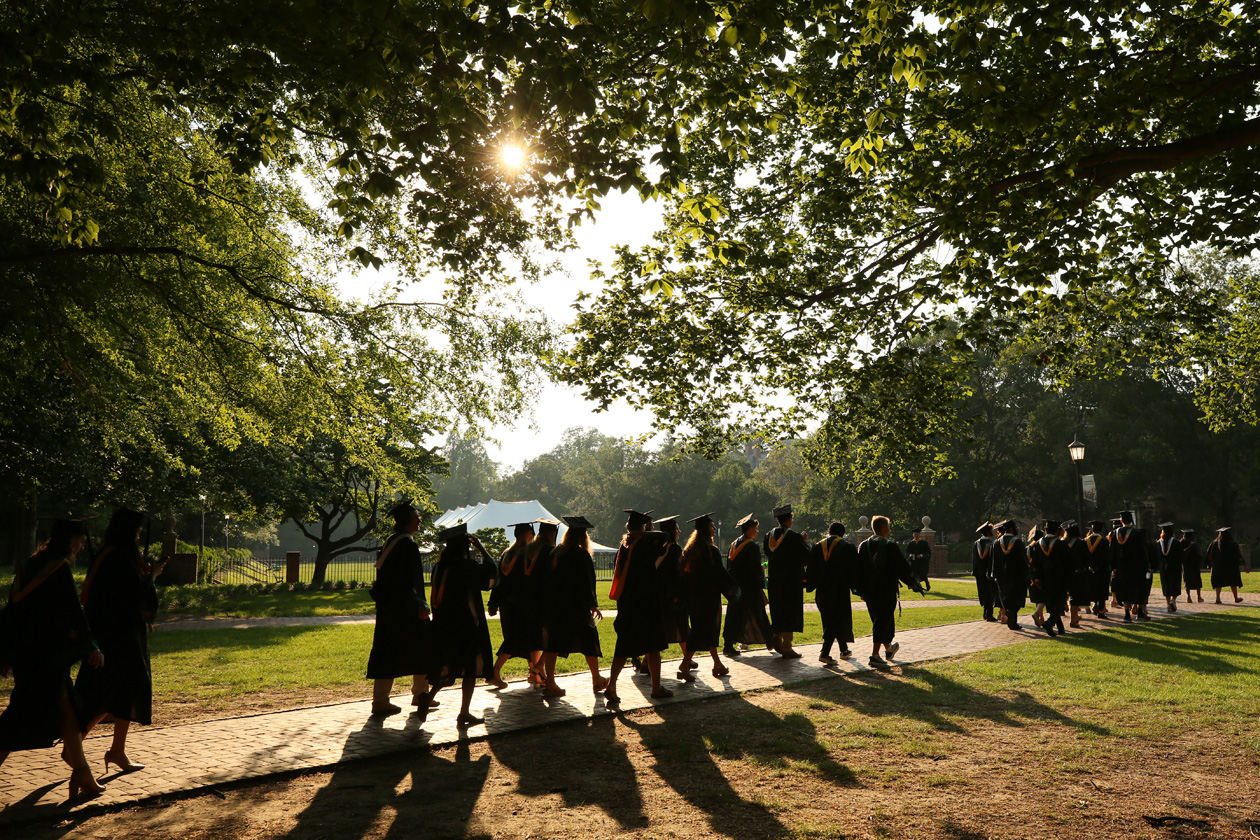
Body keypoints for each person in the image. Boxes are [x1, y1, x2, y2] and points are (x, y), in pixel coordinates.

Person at [0, 517, 106, 798]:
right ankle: (82, 773)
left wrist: (6, 653)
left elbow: (12, 613)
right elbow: (72, 612)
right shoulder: (57, 569)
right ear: (70, 540)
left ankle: (82, 773)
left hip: (30, 656)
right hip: (46, 659)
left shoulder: (31, 564)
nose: (81, 548)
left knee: (69, 711)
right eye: (80, 542)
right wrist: (90, 645)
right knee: (19, 717)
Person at [76, 508, 166, 774]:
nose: (139, 537)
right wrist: (152, 577)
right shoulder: (117, 557)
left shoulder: (113, 555)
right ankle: (75, 743)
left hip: (122, 635)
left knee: (127, 691)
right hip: (117, 638)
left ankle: (117, 751)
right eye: (137, 532)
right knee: (105, 692)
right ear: (129, 532)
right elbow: (138, 599)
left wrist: (145, 575)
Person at [365, 501, 438, 717]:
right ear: (408, 520)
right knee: (422, 647)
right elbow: (413, 580)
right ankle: (420, 694)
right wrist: (421, 606)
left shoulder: (392, 542)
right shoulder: (407, 545)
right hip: (406, 610)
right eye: (416, 517)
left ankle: (381, 700)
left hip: (390, 609)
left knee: (387, 651)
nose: (419, 520)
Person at [423, 523, 499, 728]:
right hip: (467, 624)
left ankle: (428, 699)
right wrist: (483, 549)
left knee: (450, 663)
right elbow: (491, 577)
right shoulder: (466, 567)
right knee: (470, 667)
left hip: (444, 623)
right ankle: (463, 712)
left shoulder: (441, 566)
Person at [605, 509, 672, 704]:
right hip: (646, 603)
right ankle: (656, 688)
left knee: (623, 647)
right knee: (654, 645)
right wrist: (646, 534)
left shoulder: (625, 546)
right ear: (643, 528)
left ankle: (612, 685)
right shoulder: (643, 545)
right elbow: (665, 538)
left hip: (627, 603)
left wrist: (639, 533)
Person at [542, 517, 607, 694]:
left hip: (555, 606)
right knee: (589, 639)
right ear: (583, 536)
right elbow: (586, 583)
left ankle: (550, 682)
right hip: (575, 607)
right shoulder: (580, 554)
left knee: (552, 644)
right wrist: (592, 605)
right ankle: (596, 678)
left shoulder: (556, 552)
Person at [854, 515, 924, 668]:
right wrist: (913, 583)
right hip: (886, 589)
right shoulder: (889, 546)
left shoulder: (862, 546)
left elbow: (858, 570)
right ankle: (874, 655)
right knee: (882, 620)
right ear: (883, 527)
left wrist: (860, 590)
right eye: (888, 526)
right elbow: (902, 568)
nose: (890, 529)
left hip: (869, 591)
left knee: (880, 619)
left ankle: (889, 649)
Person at [676, 514, 738, 679]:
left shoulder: (689, 550)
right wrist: (733, 588)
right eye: (712, 526)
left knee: (705, 629)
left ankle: (717, 664)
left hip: (693, 598)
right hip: (708, 597)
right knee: (702, 630)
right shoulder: (711, 551)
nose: (714, 529)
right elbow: (720, 573)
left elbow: (683, 574)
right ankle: (685, 664)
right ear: (705, 529)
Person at [487, 521, 537, 686]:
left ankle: (534, 673)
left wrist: (493, 602)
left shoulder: (507, 552)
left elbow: (499, 581)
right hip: (520, 603)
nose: (533, 535)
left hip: (508, 603)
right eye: (531, 533)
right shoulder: (525, 553)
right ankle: (494, 672)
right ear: (524, 534)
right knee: (515, 638)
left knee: (526, 637)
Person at [722, 514, 777, 657]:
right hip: (749, 588)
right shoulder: (751, 546)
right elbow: (754, 569)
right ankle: (771, 641)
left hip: (736, 587)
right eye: (756, 528)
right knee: (759, 614)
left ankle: (728, 644)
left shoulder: (734, 544)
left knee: (734, 615)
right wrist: (760, 582)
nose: (757, 531)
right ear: (750, 529)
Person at [806, 521, 856, 662]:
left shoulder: (817, 547)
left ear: (829, 532)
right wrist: (857, 587)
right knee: (835, 620)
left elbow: (811, 570)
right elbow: (853, 570)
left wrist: (811, 586)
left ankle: (844, 650)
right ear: (842, 534)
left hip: (822, 590)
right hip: (839, 590)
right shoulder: (846, 547)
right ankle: (824, 652)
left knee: (830, 619)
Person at [517, 520, 558, 691]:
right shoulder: (549, 551)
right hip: (546, 599)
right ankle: (543, 673)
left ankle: (536, 672)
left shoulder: (529, 549)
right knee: (552, 639)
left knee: (536, 638)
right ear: (551, 534)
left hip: (529, 599)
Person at [763, 504, 807, 658]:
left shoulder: (768, 537)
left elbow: (769, 553)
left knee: (778, 610)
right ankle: (787, 646)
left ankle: (777, 636)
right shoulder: (794, 537)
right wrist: (805, 542)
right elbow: (806, 557)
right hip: (791, 582)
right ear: (788, 521)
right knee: (790, 612)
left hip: (775, 582)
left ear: (778, 521)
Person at [654, 516, 691, 677]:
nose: (679, 531)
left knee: (661, 628)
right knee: (683, 628)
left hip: (661, 596)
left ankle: (646, 662)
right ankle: (686, 663)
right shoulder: (675, 549)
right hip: (674, 597)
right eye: (676, 528)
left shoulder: (659, 548)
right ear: (671, 531)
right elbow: (678, 574)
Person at [1029, 520, 1070, 636]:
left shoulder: (1038, 544)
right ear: (1057, 530)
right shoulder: (1060, 544)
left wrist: (1036, 577)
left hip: (1043, 579)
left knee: (1052, 603)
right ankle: (1049, 623)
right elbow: (1067, 562)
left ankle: (1060, 629)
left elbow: (1034, 563)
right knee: (1059, 602)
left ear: (1045, 530)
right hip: (1059, 578)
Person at [1111, 510, 1151, 621]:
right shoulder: (1137, 533)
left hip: (1121, 568)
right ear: (1131, 520)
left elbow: (1112, 552)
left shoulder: (1116, 533)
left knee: (1125, 590)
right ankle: (1139, 613)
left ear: (1121, 520)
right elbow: (1143, 552)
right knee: (1138, 588)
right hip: (1136, 567)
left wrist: (1113, 567)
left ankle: (1127, 615)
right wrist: (1146, 565)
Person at [992, 520, 1027, 630]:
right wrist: (1027, 573)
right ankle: (1012, 616)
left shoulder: (997, 543)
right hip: (1017, 575)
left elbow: (994, 561)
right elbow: (1023, 560)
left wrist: (995, 575)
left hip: (1002, 576)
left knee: (1005, 596)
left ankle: (1011, 617)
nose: (1017, 529)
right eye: (1016, 527)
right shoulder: (1017, 542)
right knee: (1017, 597)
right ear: (1011, 529)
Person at [1063, 520, 1093, 628]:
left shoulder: (1064, 543)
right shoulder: (1081, 543)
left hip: (1066, 573)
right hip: (1078, 574)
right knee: (1075, 598)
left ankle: (1075, 617)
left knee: (1071, 596)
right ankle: (1073, 620)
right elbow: (1087, 558)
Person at [1206, 527, 1245, 604]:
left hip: (1218, 567)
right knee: (1233, 582)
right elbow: (1238, 555)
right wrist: (1243, 564)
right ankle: (1236, 598)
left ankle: (1217, 598)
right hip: (1230, 567)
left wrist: (1209, 565)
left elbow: (1209, 555)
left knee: (1218, 582)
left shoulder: (1214, 543)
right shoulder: (1232, 544)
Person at [1083, 520, 1113, 617]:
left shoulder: (1085, 541)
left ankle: (1094, 604)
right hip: (1102, 570)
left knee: (1093, 587)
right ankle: (1101, 610)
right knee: (1102, 589)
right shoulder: (1104, 541)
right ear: (1101, 530)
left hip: (1089, 570)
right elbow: (1107, 557)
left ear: (1091, 529)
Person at [971, 522, 998, 621]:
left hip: (979, 573)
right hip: (988, 573)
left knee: (982, 592)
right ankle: (989, 614)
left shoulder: (976, 543)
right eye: (991, 530)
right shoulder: (991, 544)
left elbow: (975, 560)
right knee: (990, 593)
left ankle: (985, 613)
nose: (993, 532)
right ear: (988, 532)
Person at [1155, 522, 1184, 612]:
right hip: (1175, 567)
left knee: (1166, 584)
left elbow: (1157, 556)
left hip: (1163, 568)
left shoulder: (1158, 543)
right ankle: (1173, 600)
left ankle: (1168, 604)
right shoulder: (1176, 542)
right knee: (1175, 584)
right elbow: (1181, 556)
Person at [1025, 524, 1046, 628]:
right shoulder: (1039, 547)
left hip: (1030, 576)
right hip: (1040, 575)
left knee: (1037, 598)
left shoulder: (1028, 548)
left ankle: (1041, 618)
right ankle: (1037, 614)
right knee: (1044, 597)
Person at [1181, 528, 1204, 604]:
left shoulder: (1181, 544)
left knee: (1187, 581)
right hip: (1194, 565)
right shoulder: (1194, 545)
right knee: (1197, 580)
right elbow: (1199, 555)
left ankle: (1189, 597)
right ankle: (1199, 597)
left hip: (1186, 565)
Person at [906, 527, 932, 592]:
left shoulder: (924, 543)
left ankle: (927, 583)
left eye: (917, 534)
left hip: (922, 562)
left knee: (923, 574)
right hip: (914, 562)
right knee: (914, 574)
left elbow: (928, 552)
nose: (916, 535)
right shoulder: (911, 543)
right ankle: (916, 587)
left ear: (919, 535)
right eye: (915, 534)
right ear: (913, 535)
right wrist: (910, 555)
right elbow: (907, 552)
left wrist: (921, 555)